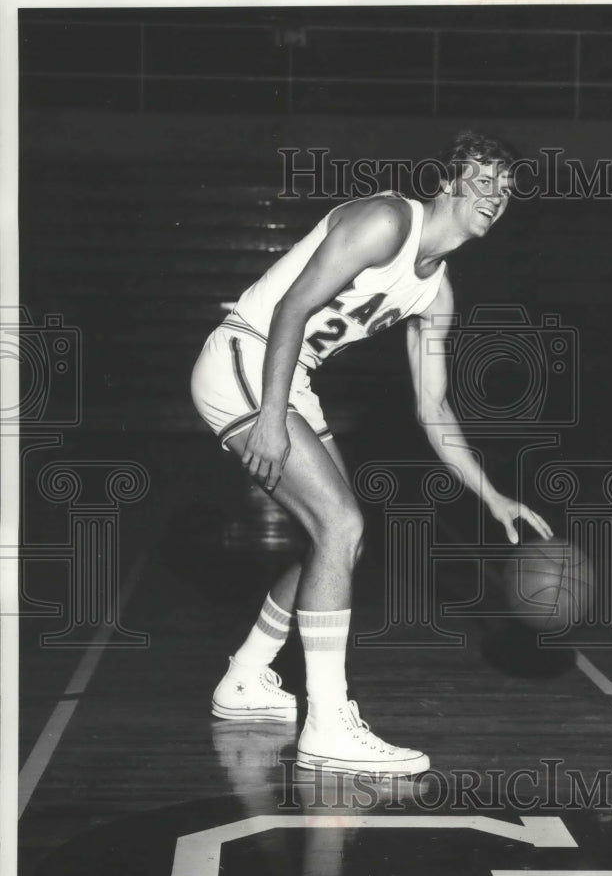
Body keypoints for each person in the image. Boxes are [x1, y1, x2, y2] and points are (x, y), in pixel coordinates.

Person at [191, 129, 553, 777]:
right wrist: (271, 417)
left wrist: (490, 493)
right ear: (446, 182)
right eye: (481, 178)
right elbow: (293, 307)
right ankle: (327, 725)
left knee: (338, 542)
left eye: (505, 187)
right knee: (341, 524)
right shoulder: (386, 220)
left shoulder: (436, 293)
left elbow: (433, 409)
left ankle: (244, 677)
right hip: (247, 357)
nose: (494, 195)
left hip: (289, 379)